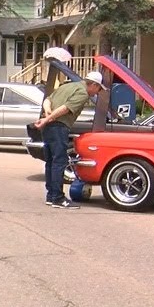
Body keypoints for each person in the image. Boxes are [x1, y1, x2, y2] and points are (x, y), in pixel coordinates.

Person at [34, 71, 104, 209]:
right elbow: (65, 109)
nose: (97, 92)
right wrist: (48, 119)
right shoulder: (83, 93)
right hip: (59, 127)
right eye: (99, 88)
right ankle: (58, 198)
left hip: (48, 128)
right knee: (59, 161)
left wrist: (47, 113)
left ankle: (51, 195)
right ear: (94, 84)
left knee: (51, 161)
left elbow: (48, 100)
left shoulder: (67, 86)